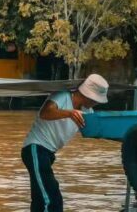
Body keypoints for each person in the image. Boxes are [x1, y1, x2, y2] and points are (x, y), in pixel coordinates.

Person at [21, 73, 109, 212]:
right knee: (52, 198)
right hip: (36, 148)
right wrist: (69, 113)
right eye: (95, 99)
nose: (96, 103)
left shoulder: (88, 112)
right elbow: (45, 113)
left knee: (40, 198)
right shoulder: (63, 96)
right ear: (88, 95)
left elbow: (97, 132)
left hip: (48, 154)